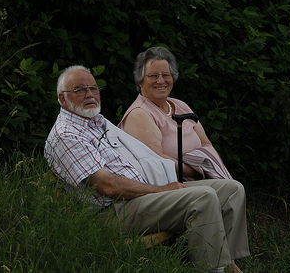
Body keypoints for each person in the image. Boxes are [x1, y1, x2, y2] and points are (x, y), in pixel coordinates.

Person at [44, 65, 249, 273]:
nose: (90, 94)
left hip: (140, 195)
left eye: (93, 89)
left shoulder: (96, 121)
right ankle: (213, 269)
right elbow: (107, 186)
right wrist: (162, 189)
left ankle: (227, 262)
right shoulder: (67, 135)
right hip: (114, 212)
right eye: (80, 90)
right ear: (63, 98)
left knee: (231, 189)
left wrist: (160, 182)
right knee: (202, 197)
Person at [119, 47, 232, 181]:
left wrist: (202, 168)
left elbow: (206, 144)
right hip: (172, 183)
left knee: (235, 188)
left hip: (201, 177)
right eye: (153, 76)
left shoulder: (180, 106)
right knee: (232, 189)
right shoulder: (139, 114)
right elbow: (155, 159)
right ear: (140, 81)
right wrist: (196, 170)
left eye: (166, 75)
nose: (161, 81)